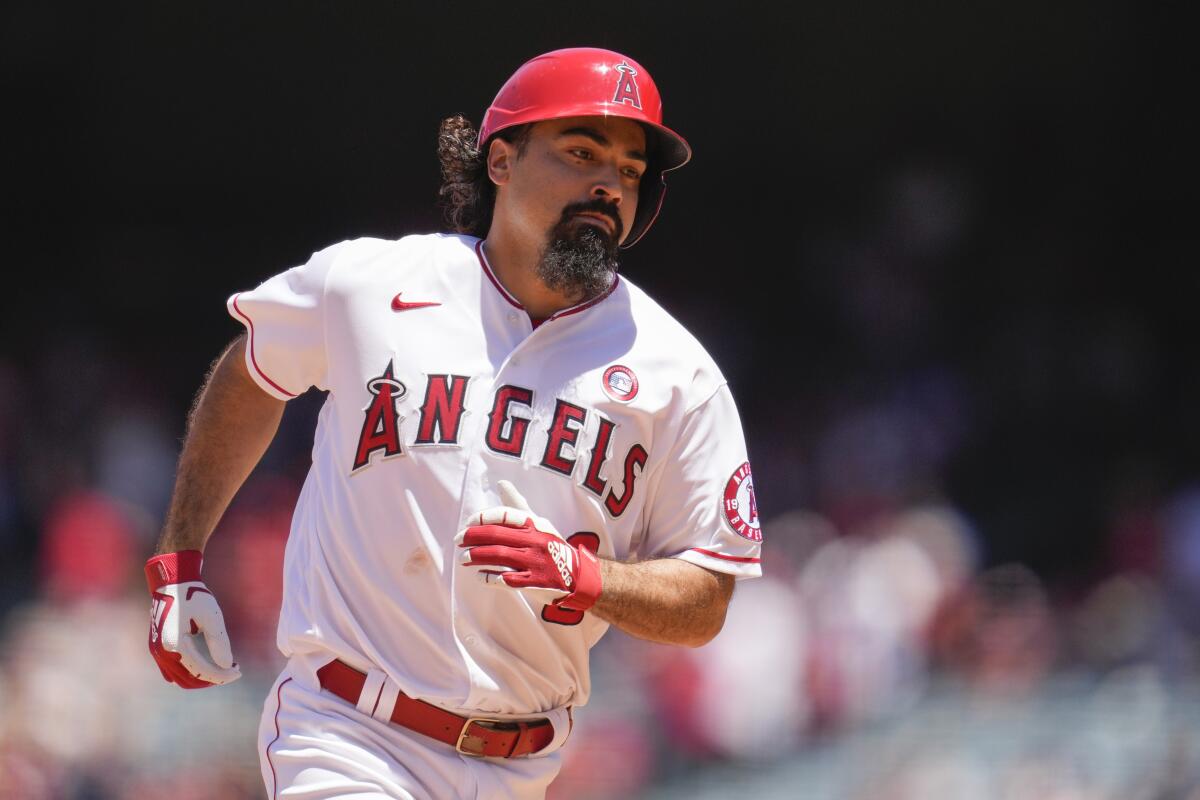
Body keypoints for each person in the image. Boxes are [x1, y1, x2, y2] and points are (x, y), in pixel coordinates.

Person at [144, 47, 763, 799]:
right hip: (347, 732)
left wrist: (592, 580)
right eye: (581, 152)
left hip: (525, 765)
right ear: (499, 162)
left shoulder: (678, 373)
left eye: (630, 171)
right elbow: (252, 373)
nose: (609, 182)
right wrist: (178, 562)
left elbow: (706, 596)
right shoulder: (370, 285)